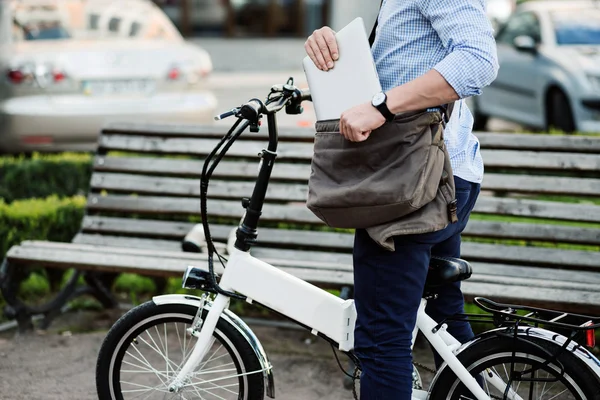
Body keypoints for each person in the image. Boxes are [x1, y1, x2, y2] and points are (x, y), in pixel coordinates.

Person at [304, 1, 499, 398]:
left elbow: (478, 60)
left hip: (414, 185)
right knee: (444, 318)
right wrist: (330, 48)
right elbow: (396, 70)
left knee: (380, 341)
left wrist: (381, 107)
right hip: (433, 176)